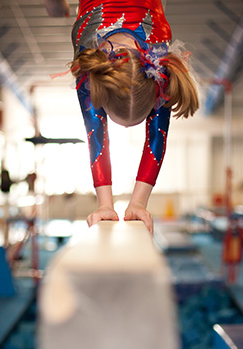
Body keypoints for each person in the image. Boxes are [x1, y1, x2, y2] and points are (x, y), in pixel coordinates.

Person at [44, 0, 200, 234]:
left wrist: (131, 203)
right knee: (55, 8)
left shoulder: (93, 59)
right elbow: (99, 136)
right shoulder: (155, 57)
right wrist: (108, 204)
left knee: (55, 9)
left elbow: (103, 136)